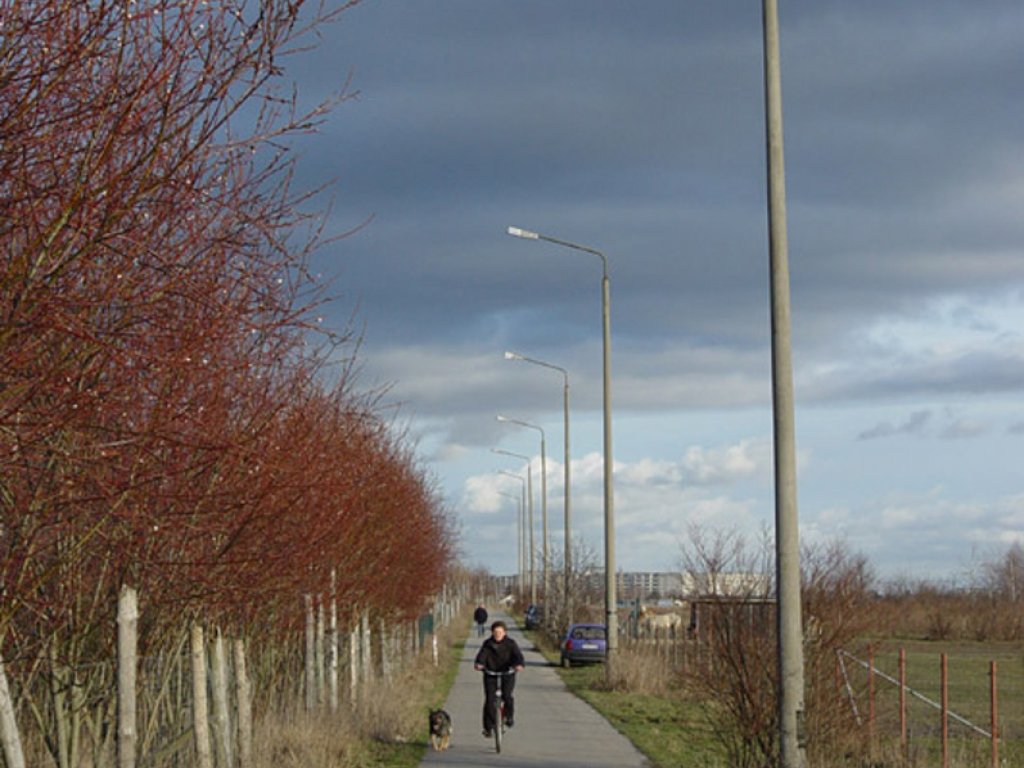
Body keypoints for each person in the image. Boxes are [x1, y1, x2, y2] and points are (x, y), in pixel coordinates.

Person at [473, 620, 525, 737]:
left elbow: (518, 656)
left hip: (507, 673)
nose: (498, 635)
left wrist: (519, 665)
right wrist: (479, 664)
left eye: (500, 632)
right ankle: (488, 727)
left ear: (505, 633)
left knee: (507, 696)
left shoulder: (511, 644)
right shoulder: (488, 644)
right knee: (489, 700)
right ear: (492, 633)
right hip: (490, 673)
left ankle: (508, 717)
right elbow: (482, 656)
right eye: (496, 632)